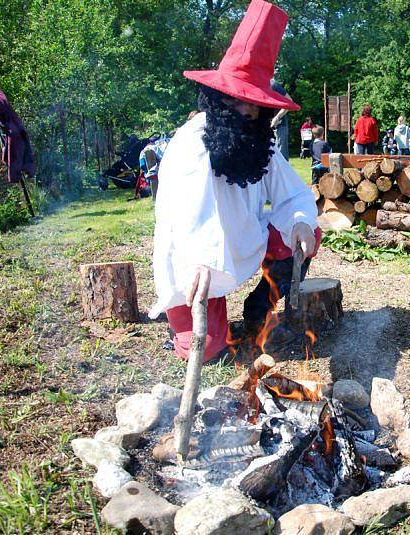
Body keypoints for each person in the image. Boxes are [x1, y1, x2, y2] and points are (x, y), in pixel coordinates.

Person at [150, 0, 321, 363]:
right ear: (219, 98)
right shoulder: (190, 144)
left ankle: (260, 309)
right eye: (239, 101)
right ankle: (186, 324)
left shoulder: (261, 142)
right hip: (195, 261)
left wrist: (302, 222)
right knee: (209, 351)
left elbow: (293, 195)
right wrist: (196, 261)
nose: (248, 111)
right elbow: (179, 219)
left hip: (244, 243)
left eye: (255, 104)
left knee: (308, 234)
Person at [270, 79, 291, 160]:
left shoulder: (273, 85)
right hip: (265, 125)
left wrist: (277, 117)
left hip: (280, 125)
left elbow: (289, 102)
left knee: (281, 157)